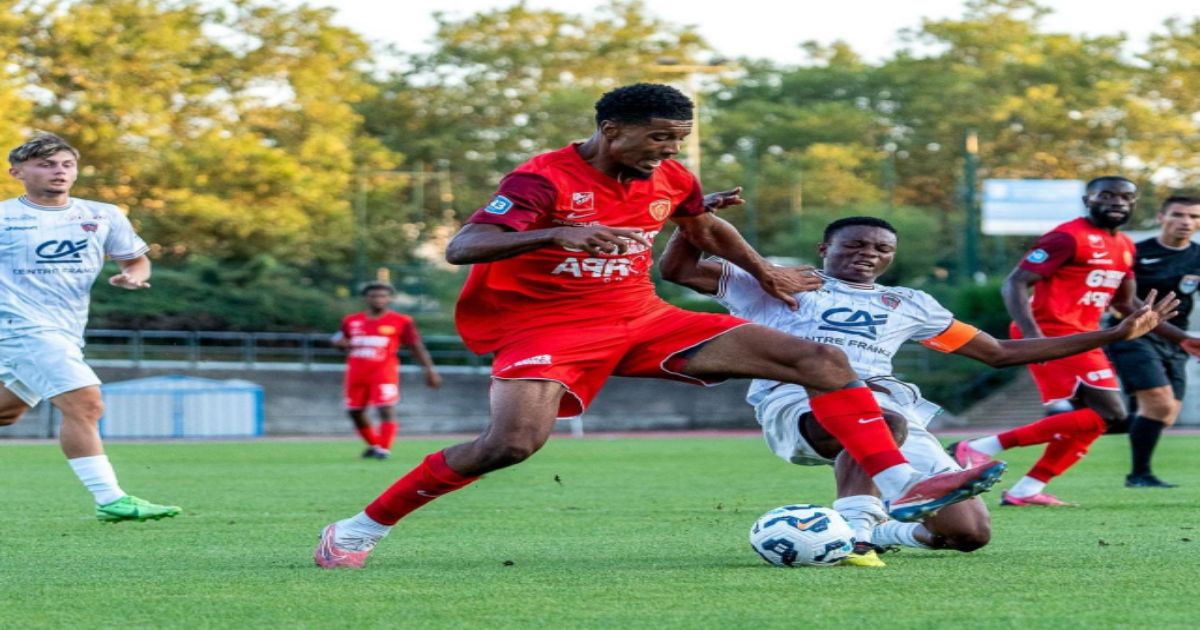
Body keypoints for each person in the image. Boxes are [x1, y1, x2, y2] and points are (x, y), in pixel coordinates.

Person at [314, 83, 1005, 569]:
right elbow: (463, 245)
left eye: (677, 139)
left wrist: (765, 273)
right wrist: (561, 233)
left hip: (640, 317)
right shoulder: (541, 180)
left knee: (820, 360)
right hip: (545, 329)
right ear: (610, 130)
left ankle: (900, 487)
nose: (666, 150)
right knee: (511, 444)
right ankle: (357, 529)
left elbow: (702, 223)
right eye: (656, 137)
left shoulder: (669, 174)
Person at [659, 215, 1174, 567]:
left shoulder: (910, 303)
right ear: (825, 249)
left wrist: (1112, 334)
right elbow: (677, 270)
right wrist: (692, 217)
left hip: (893, 408)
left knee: (969, 535)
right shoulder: (779, 281)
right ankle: (857, 535)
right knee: (880, 418)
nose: (869, 254)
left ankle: (885, 532)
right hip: (797, 402)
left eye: (881, 248)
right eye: (855, 245)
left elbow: (996, 352)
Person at [950, 177, 1200, 506]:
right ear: (1088, 200)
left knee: (1094, 421)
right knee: (1111, 413)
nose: (1117, 202)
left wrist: (1182, 338)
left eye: (1125, 197)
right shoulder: (1067, 237)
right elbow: (1015, 283)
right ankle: (982, 447)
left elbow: (1126, 304)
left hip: (1086, 336)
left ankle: (1025, 490)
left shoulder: (1125, 245)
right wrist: (1031, 336)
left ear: (1134, 204)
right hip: (1052, 333)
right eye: (1106, 195)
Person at [0, 133, 180, 522]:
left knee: (7, 412)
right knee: (87, 404)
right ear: (17, 172)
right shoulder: (3, 217)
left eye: (66, 164)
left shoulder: (102, 214)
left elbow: (136, 260)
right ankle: (110, 499)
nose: (59, 171)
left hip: (66, 330)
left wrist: (132, 276)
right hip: (20, 326)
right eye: (46, 164)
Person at [1106, 195, 1200, 488]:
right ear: (1161, 217)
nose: (1186, 222)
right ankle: (1139, 475)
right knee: (1158, 404)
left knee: (1166, 413)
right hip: (1133, 336)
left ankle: (1103, 422)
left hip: (1176, 341)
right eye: (1178, 214)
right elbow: (1121, 302)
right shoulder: (1134, 252)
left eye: (1195, 217)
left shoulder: (1198, 256)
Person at [333, 282, 442, 459]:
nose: (378, 299)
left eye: (383, 296)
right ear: (366, 298)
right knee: (354, 411)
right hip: (356, 372)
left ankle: (384, 449)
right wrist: (338, 344)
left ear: (389, 298)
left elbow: (416, 346)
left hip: (383, 372)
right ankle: (375, 444)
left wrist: (430, 370)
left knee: (385, 407)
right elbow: (339, 340)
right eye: (374, 296)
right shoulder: (350, 320)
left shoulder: (402, 321)